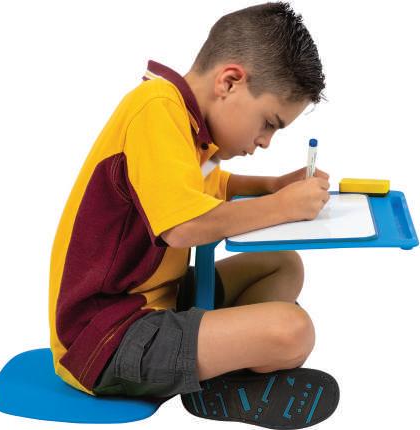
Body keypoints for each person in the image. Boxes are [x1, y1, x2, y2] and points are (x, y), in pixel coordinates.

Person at [48, 2, 339, 428]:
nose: (265, 142)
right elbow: (182, 225)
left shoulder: (189, 127)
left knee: (282, 263)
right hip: (105, 339)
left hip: (157, 303)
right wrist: (282, 207)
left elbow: (212, 185)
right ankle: (226, 375)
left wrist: (273, 186)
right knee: (293, 331)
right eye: (268, 123)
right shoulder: (156, 108)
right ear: (229, 82)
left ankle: (229, 356)